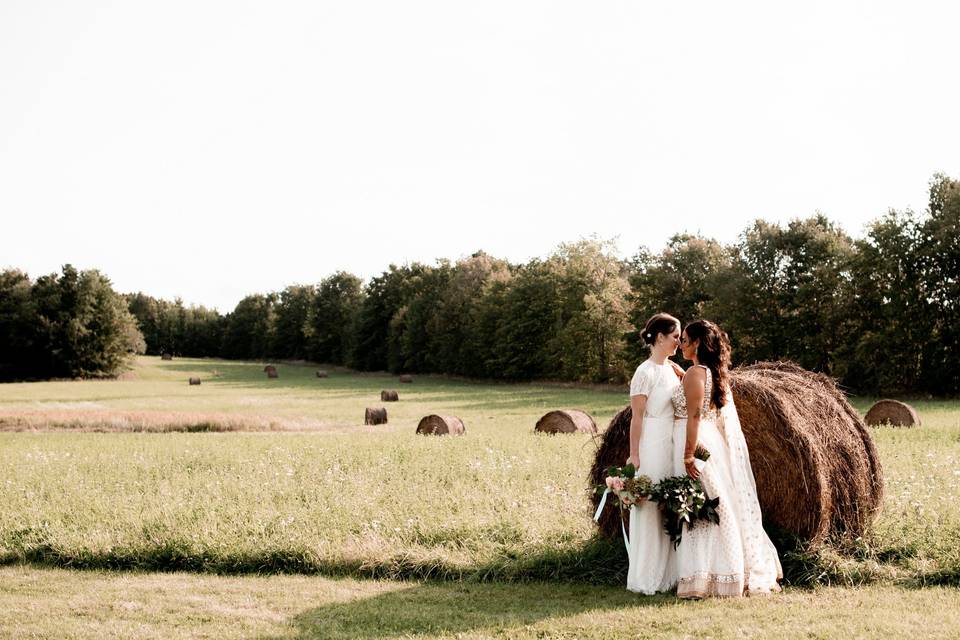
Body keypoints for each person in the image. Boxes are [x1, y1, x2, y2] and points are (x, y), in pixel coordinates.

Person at [671, 320, 782, 598]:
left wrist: (688, 454)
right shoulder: (707, 372)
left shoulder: (696, 373)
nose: (681, 344)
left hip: (698, 443)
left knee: (706, 504)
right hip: (709, 443)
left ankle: (712, 573)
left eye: (684, 339)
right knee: (716, 501)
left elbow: (694, 416)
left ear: (697, 342)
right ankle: (726, 569)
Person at [625, 312, 685, 594]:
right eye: (675, 337)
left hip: (671, 442)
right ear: (659, 337)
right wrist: (634, 455)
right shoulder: (644, 372)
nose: (678, 342)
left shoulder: (672, 369)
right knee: (649, 506)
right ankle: (647, 577)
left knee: (668, 505)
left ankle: (671, 574)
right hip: (651, 442)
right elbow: (637, 418)